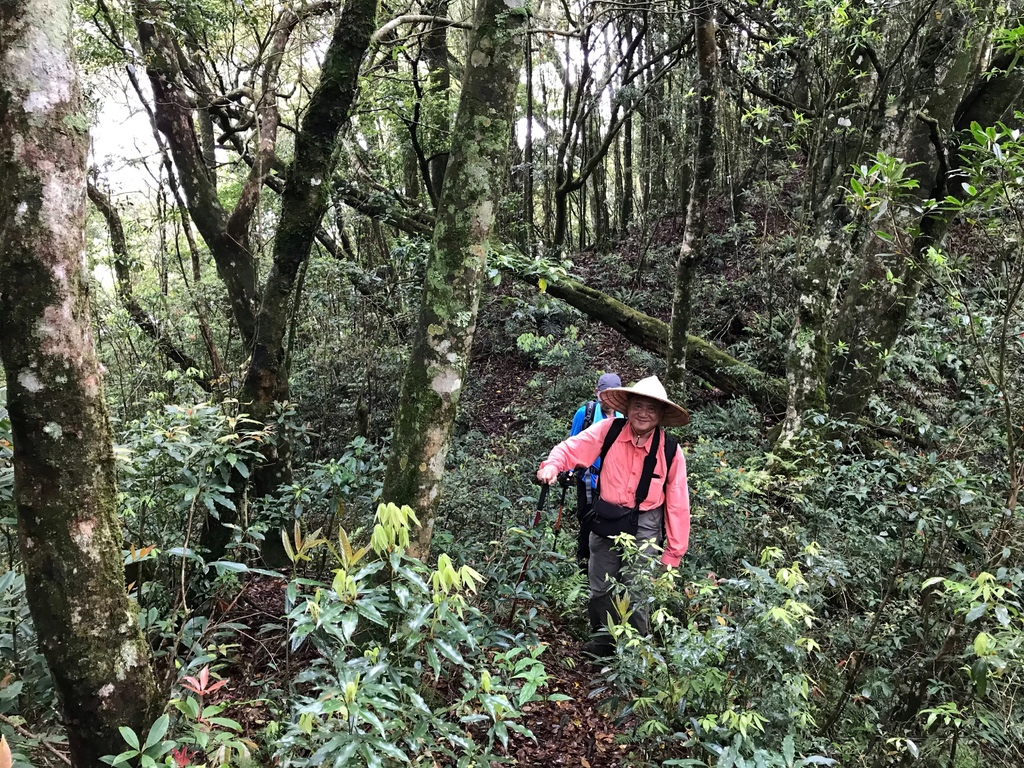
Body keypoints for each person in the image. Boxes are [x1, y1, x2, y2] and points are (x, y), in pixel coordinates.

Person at [537, 376, 690, 656]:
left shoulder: (670, 450)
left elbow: (678, 503)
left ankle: (634, 655)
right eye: (638, 406)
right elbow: (571, 448)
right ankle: (603, 646)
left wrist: (673, 554)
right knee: (600, 589)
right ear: (628, 407)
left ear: (661, 415)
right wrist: (552, 465)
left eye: (651, 409)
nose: (643, 413)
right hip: (607, 518)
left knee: (638, 592)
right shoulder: (608, 430)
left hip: (646, 524)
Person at [569, 372, 622, 571]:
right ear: (596, 393)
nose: (608, 399)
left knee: (611, 521)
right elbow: (573, 443)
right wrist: (566, 470)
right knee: (586, 519)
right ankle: (584, 565)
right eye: (604, 394)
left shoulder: (624, 417)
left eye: (613, 394)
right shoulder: (586, 413)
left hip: (614, 481)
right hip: (588, 478)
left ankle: (607, 565)